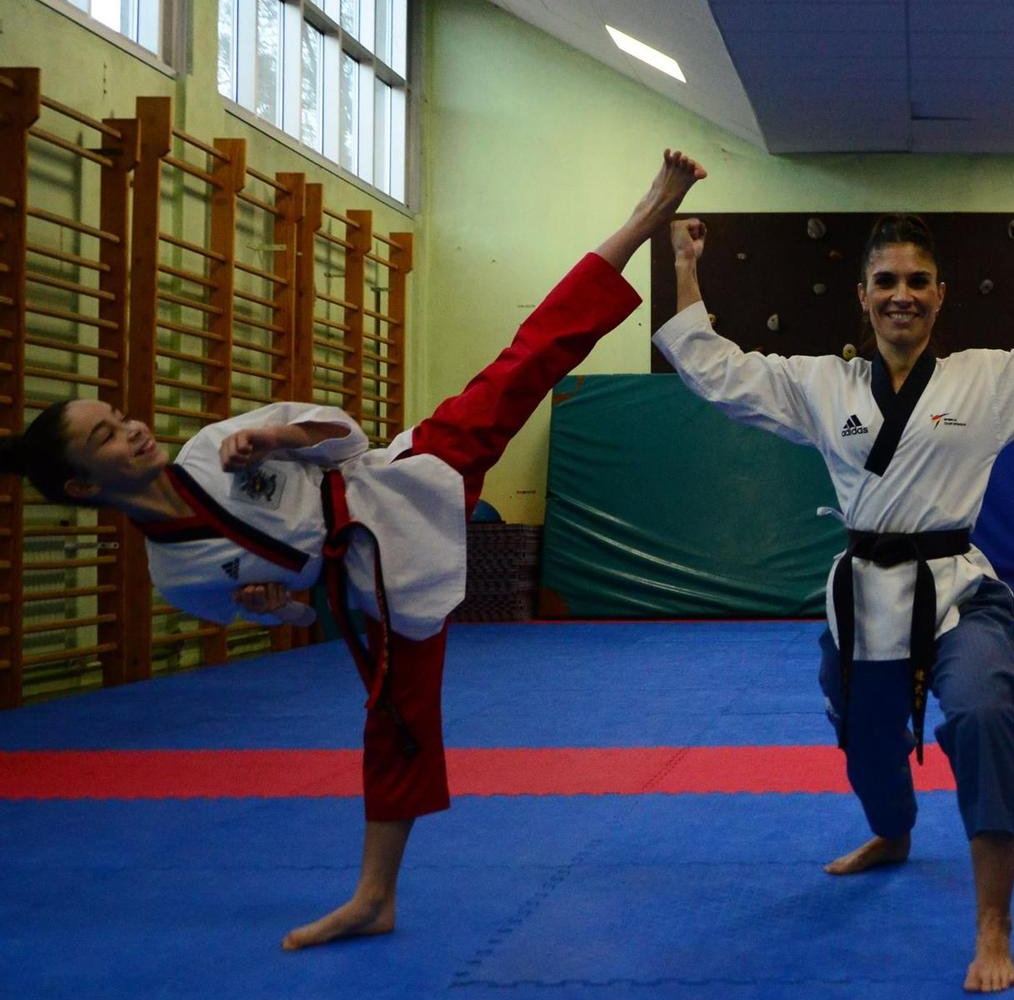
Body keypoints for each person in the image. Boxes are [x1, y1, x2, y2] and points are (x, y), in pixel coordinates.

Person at [0, 149, 707, 949]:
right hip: (377, 589)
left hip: (399, 482)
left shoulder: (211, 449)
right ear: (85, 485)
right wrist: (280, 606)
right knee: (396, 726)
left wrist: (275, 433)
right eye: (106, 436)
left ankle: (647, 215)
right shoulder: (177, 574)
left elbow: (346, 435)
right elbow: (290, 610)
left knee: (530, 355)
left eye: (120, 416)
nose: (130, 428)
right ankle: (375, 897)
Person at [654, 201, 1014, 992]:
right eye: (885, 280)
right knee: (863, 743)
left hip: (957, 589)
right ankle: (892, 830)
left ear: (941, 293)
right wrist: (684, 269)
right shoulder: (821, 384)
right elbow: (719, 371)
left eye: (918, 280)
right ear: (861, 293)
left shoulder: (984, 379)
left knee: (985, 710)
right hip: (863, 597)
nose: (902, 294)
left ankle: (993, 921)